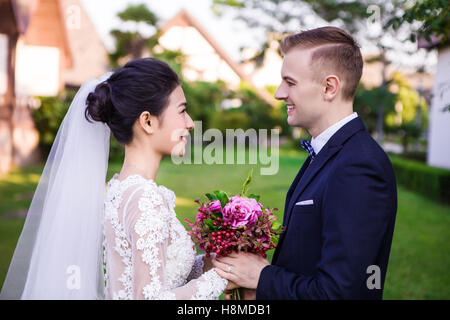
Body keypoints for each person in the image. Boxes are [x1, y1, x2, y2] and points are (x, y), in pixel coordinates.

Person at [0, 58, 230, 300]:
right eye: (182, 111)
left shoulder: (122, 188)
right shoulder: (145, 198)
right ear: (148, 121)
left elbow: (156, 273)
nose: (190, 123)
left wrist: (212, 264)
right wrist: (221, 277)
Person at [213, 26, 398, 300]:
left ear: (329, 87)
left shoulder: (358, 167)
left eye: (290, 82)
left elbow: (339, 293)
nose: (278, 93)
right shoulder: (329, 153)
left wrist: (263, 277)